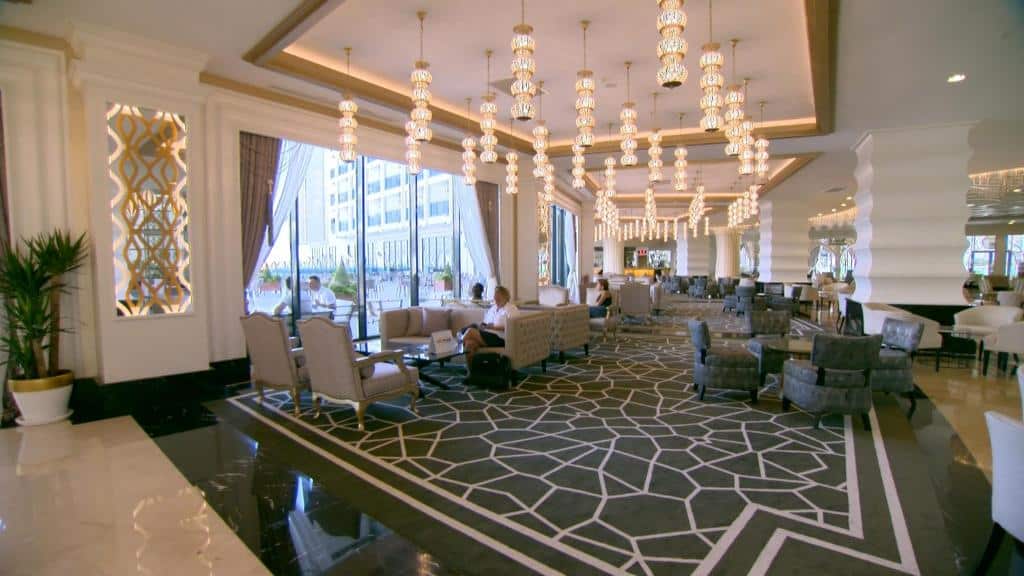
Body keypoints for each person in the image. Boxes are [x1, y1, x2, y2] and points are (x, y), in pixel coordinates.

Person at [462, 285, 518, 367]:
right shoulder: (493, 309)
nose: (496, 297)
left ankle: (459, 342)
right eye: (495, 295)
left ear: (505, 296)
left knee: (470, 331)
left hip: (500, 338)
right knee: (469, 343)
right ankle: (471, 372)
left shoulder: (511, 308)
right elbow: (485, 323)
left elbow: (513, 326)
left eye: (498, 295)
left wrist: (493, 327)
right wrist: (482, 325)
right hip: (487, 335)